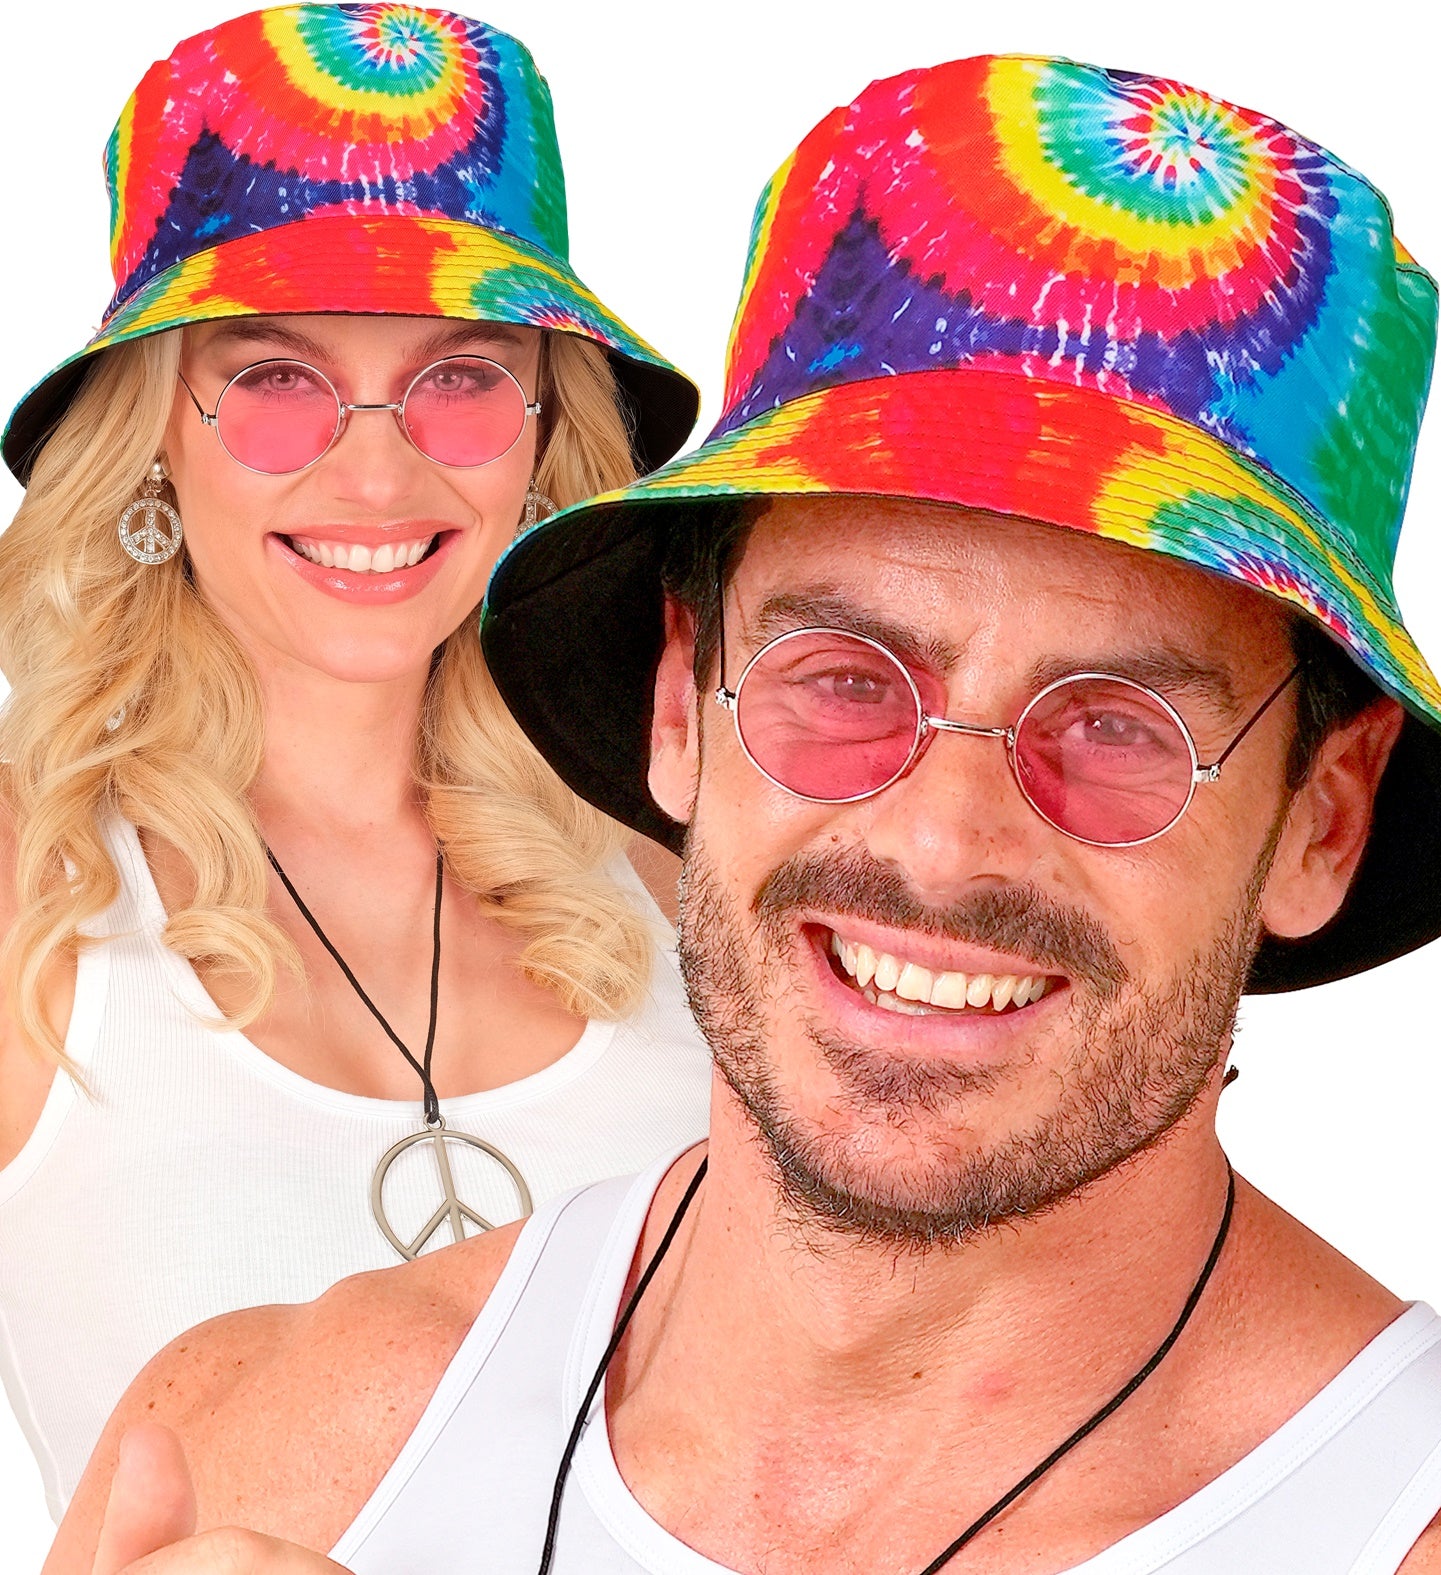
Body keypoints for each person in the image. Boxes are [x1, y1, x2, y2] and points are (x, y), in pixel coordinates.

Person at [49, 51, 1441, 1575]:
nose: (939, 843)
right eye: (840, 679)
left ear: (1320, 815)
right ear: (676, 711)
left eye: (1115, 725)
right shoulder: (270, 1453)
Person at [0, 0, 713, 1526]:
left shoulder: (677, 840)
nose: (379, 469)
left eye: (459, 377)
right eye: (274, 379)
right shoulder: (31, 882)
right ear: (151, 433)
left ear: (540, 429)